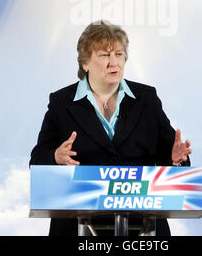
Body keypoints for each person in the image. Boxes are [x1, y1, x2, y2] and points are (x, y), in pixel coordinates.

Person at [30, 20, 192, 236]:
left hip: (144, 227)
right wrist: (56, 157)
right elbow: (37, 160)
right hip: (77, 226)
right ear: (85, 63)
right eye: (104, 55)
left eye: (118, 54)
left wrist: (175, 159)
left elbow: (169, 156)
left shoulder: (147, 99)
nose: (113, 62)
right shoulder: (61, 102)